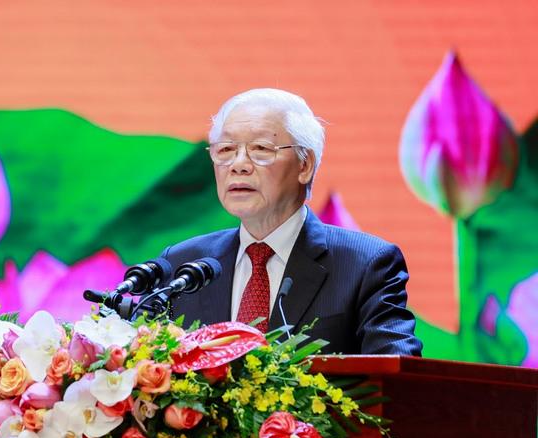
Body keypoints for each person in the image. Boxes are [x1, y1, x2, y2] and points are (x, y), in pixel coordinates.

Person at [159, 88, 422, 356]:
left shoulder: (365, 265)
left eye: (261, 149)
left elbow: (398, 367)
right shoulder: (182, 265)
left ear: (304, 165)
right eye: (226, 149)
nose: (238, 165)